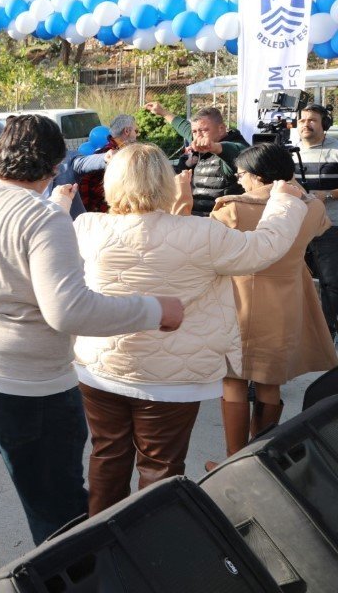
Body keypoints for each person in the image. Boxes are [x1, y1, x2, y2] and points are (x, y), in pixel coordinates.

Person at [0, 116, 186, 593]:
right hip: (23, 386)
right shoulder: (43, 217)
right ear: (54, 166)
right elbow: (68, 311)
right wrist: (156, 309)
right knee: (55, 509)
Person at [72, 142, 307, 516]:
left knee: (106, 455)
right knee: (161, 466)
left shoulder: (87, 226)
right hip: (172, 375)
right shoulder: (201, 234)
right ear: (167, 181)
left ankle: (98, 547)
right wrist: (284, 201)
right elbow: (263, 248)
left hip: (100, 367)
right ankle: (151, 550)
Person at [205, 143, 337, 468]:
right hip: (287, 300)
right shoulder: (311, 207)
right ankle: (261, 462)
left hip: (240, 299)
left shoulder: (233, 209)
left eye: (242, 174)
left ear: (258, 174)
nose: (240, 181)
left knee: (234, 379)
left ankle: (231, 462)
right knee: (269, 382)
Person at [145, 101, 247, 216]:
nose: (198, 136)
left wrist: (214, 147)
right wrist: (162, 112)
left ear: (221, 129)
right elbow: (183, 126)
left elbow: (239, 152)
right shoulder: (198, 139)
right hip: (196, 219)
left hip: (222, 223)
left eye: (204, 130)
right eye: (194, 132)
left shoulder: (235, 145)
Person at [294, 103, 338, 337]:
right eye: (302, 120)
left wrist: (328, 194)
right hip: (297, 227)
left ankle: (327, 333)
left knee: (331, 282)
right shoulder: (288, 151)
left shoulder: (336, 149)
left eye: (312, 120)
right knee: (298, 280)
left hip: (331, 226)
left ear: (325, 125)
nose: (306, 124)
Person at [72, 113, 138, 213]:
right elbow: (86, 183)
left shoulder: (115, 151)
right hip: (106, 212)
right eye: (135, 131)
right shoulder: (108, 154)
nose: (137, 135)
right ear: (127, 131)